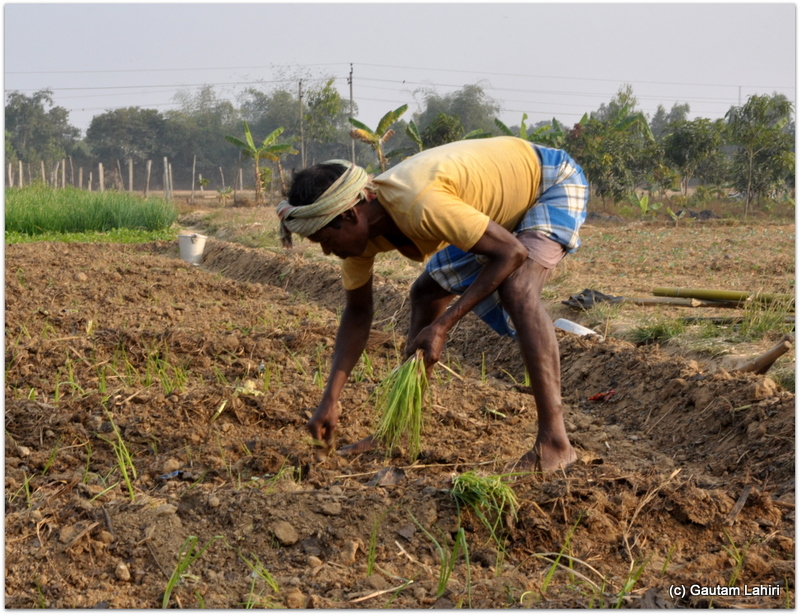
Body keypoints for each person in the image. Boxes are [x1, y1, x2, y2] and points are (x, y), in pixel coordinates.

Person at [277, 136, 588, 471]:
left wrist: (442, 326)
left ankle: (556, 444)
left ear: (352, 215)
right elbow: (358, 312)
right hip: (488, 209)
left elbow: (511, 253)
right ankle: (394, 432)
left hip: (548, 181)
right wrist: (330, 398)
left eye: (325, 240)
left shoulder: (420, 204)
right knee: (427, 291)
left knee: (518, 289)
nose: (326, 251)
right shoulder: (359, 238)